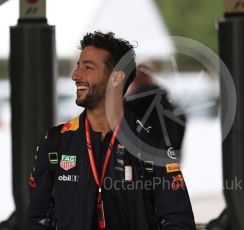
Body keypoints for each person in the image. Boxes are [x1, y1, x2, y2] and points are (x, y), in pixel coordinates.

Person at [26, 31, 196, 230]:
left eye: (88, 67)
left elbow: (178, 221)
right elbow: (37, 220)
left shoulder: (151, 144)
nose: (75, 75)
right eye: (77, 66)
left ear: (116, 78)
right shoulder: (55, 142)